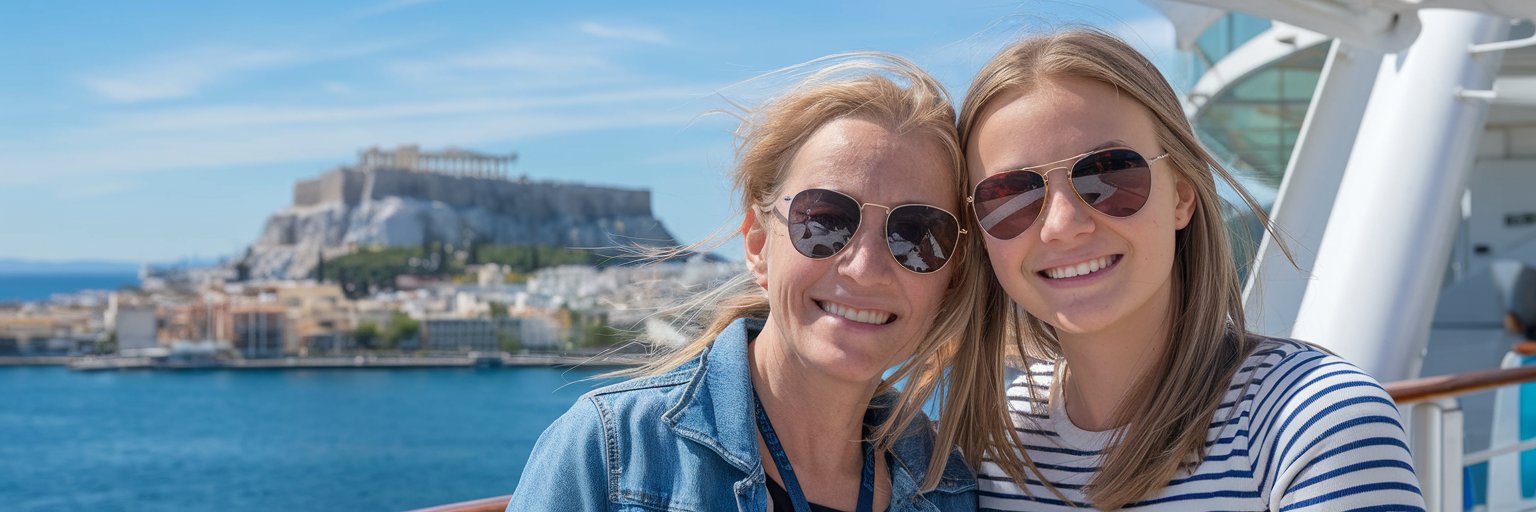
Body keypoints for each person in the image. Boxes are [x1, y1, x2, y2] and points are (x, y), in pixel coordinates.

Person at [954, 29, 1425, 510]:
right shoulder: (992, 443)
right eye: (1009, 197)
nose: (1062, 225)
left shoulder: (1312, 418)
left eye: (1109, 174)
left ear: (1182, 195)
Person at [507, 54, 982, 511]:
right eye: (824, 222)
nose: (864, 266)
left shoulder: (947, 487)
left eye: (918, 234)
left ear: (952, 273)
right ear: (757, 244)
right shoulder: (611, 452)